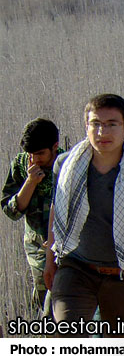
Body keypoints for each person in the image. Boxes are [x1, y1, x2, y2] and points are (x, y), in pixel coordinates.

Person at [44, 94, 124, 337]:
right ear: (86, 127)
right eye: (95, 123)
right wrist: (50, 260)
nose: (102, 131)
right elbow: (57, 209)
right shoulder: (65, 167)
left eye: (111, 124)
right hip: (76, 267)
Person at [2, 119, 63, 308]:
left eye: (40, 154)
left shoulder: (67, 166)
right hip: (37, 250)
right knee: (42, 300)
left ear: (55, 147)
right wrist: (30, 182)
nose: (35, 159)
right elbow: (11, 212)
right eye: (30, 154)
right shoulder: (20, 166)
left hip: (66, 249)